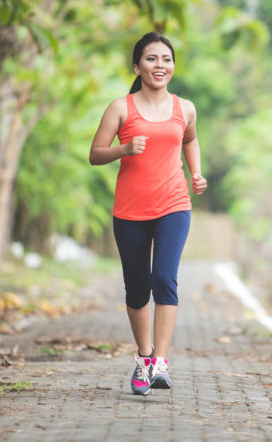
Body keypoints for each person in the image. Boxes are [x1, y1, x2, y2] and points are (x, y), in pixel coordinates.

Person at [89, 31, 207, 395]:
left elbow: (189, 139)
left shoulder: (184, 107)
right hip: (130, 211)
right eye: (152, 59)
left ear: (173, 66)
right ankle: (143, 356)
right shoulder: (121, 107)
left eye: (166, 59)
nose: (160, 65)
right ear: (137, 66)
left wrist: (196, 172)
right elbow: (95, 153)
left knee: (164, 279)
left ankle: (161, 362)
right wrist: (123, 149)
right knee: (137, 286)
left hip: (173, 205)